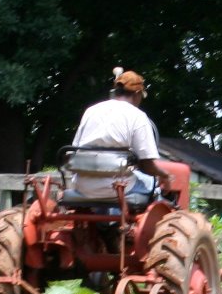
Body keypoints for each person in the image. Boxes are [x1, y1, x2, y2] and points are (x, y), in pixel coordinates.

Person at [69, 67, 173, 201]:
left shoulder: (91, 111)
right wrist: (164, 175)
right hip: (116, 188)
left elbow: (74, 151)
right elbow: (147, 165)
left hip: (82, 186)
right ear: (137, 94)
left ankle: (103, 221)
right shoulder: (138, 116)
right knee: (153, 186)